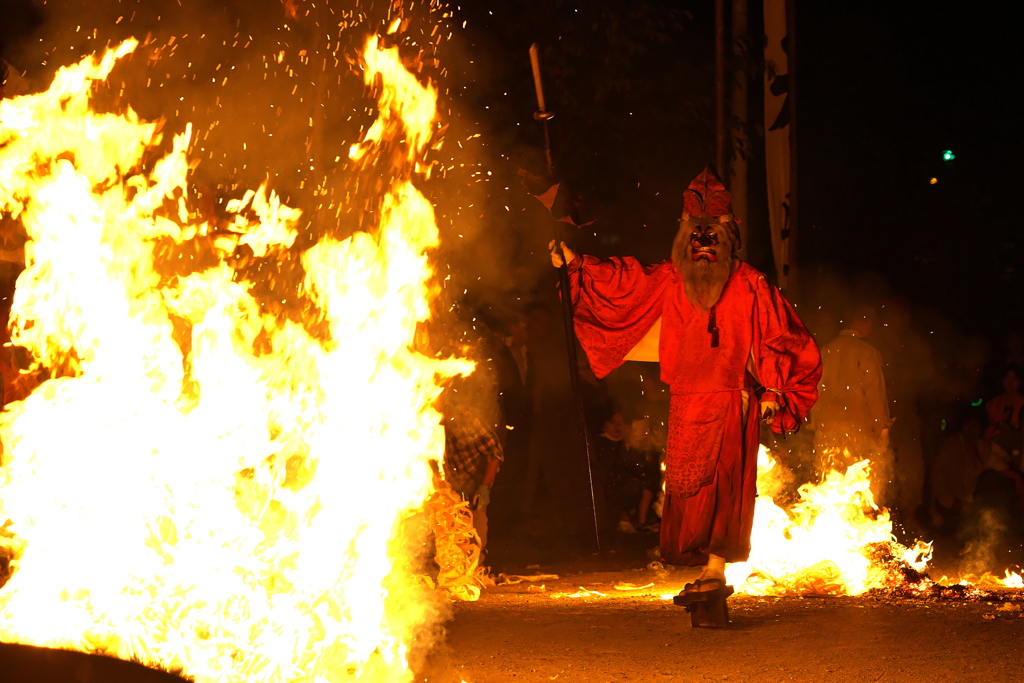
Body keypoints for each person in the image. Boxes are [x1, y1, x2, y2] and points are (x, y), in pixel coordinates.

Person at [547, 166, 821, 596]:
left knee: (725, 486)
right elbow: (625, 281)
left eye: (713, 235)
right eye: (696, 235)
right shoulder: (671, 279)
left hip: (733, 399)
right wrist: (577, 263)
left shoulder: (750, 284)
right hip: (687, 400)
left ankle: (715, 568)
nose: (704, 246)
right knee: (688, 487)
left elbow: (779, 335)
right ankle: (702, 563)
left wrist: (771, 389)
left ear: (729, 237)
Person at [813, 304, 892, 501]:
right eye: (870, 322)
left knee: (830, 485)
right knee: (861, 489)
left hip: (827, 429)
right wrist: (882, 430)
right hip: (858, 430)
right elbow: (875, 395)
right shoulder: (866, 352)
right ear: (862, 322)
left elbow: (814, 391)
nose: (872, 327)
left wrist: (815, 424)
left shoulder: (826, 350)